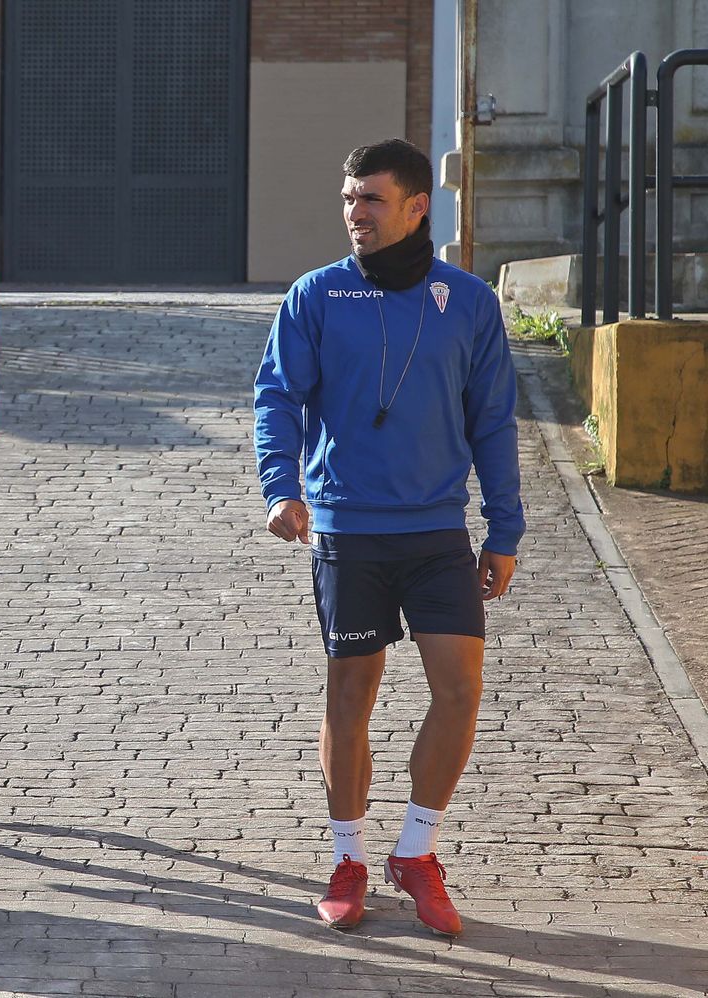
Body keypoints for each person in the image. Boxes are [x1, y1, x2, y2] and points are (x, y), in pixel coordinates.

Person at [253, 138, 523, 937]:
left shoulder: (469, 301)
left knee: (460, 691)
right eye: (347, 199)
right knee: (351, 698)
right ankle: (347, 858)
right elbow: (277, 396)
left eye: (370, 199)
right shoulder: (316, 296)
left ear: (416, 207)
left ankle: (416, 848)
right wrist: (282, 488)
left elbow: (495, 422)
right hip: (347, 532)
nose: (354, 214)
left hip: (438, 530)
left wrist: (503, 530)